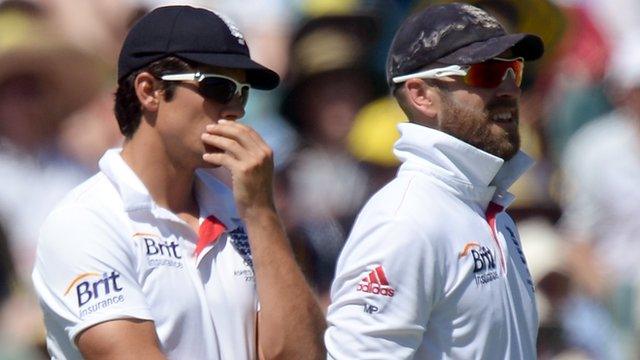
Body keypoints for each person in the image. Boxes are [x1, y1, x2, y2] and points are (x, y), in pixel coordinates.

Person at [31, 6, 325, 360]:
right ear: (149, 91)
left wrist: (263, 211)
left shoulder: (245, 211)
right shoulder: (85, 222)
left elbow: (303, 354)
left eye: (243, 93)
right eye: (219, 87)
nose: (236, 110)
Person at [325, 3, 544, 359]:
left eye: (513, 71)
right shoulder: (406, 220)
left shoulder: (488, 210)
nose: (508, 89)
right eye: (487, 73)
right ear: (421, 95)